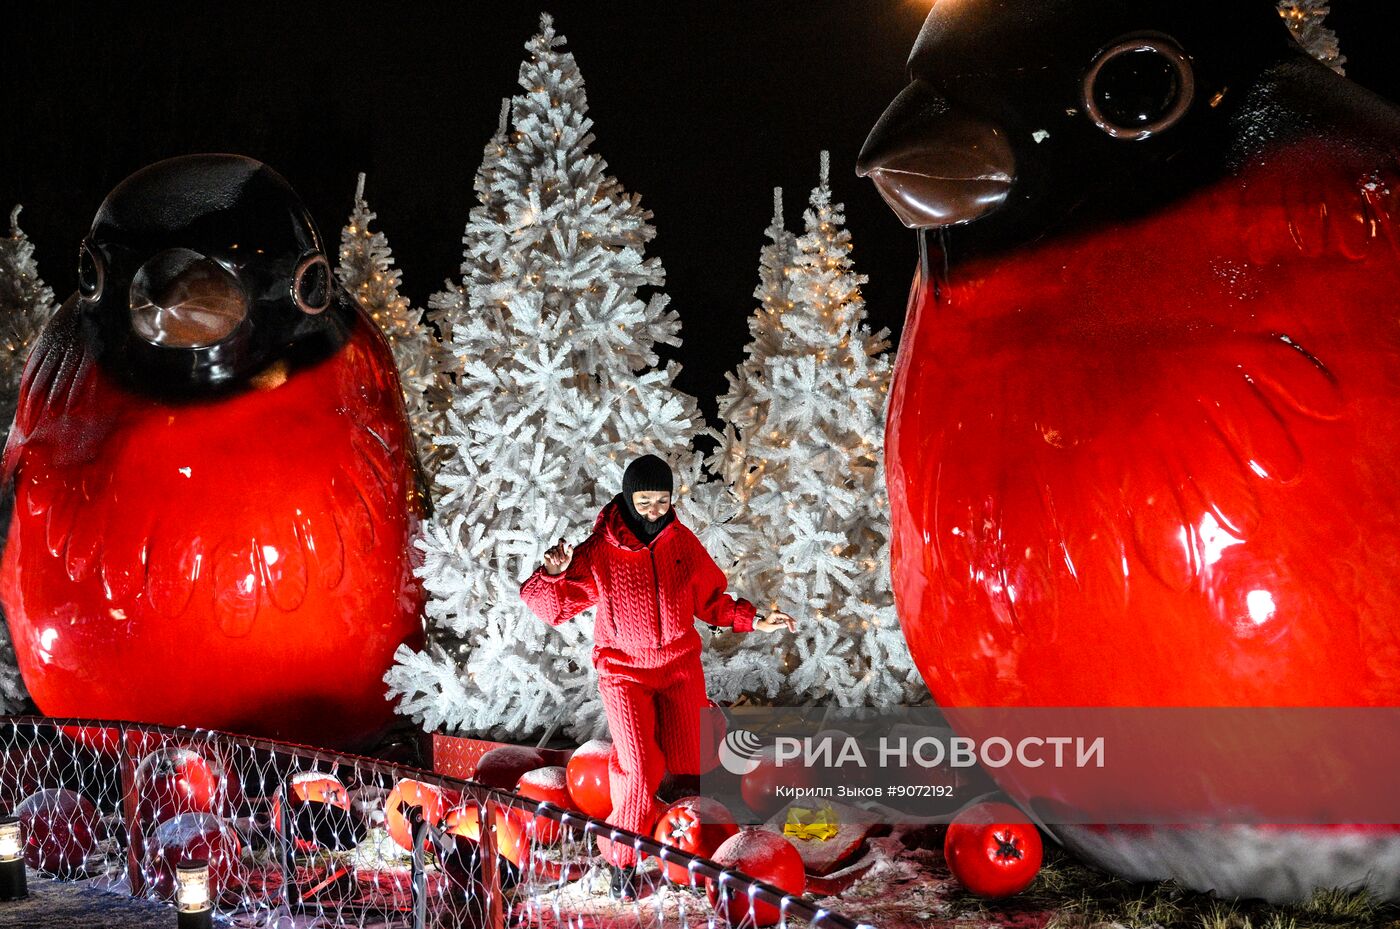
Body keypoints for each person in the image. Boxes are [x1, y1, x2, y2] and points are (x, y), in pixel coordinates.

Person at [520, 454, 795, 897]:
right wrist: (552, 574)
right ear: (628, 499)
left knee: (692, 760)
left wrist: (753, 620)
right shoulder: (597, 551)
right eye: (644, 500)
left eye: (661, 500)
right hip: (624, 672)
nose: (652, 510)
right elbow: (552, 608)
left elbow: (711, 599)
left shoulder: (681, 543)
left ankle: (682, 842)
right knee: (642, 766)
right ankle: (623, 859)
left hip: (679, 668)